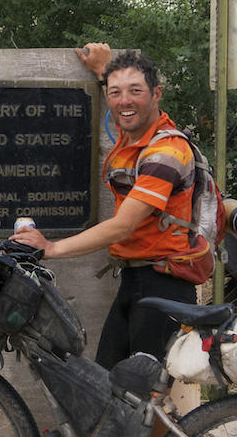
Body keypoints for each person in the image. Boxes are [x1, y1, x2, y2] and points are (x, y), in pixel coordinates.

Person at [11, 42, 198, 371]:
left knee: (145, 394)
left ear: (157, 94)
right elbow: (124, 110)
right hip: (134, 279)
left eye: (135, 91)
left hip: (165, 283)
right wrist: (104, 72)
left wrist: (51, 248)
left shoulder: (167, 151)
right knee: (110, 384)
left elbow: (123, 226)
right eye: (115, 92)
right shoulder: (137, 134)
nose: (124, 101)